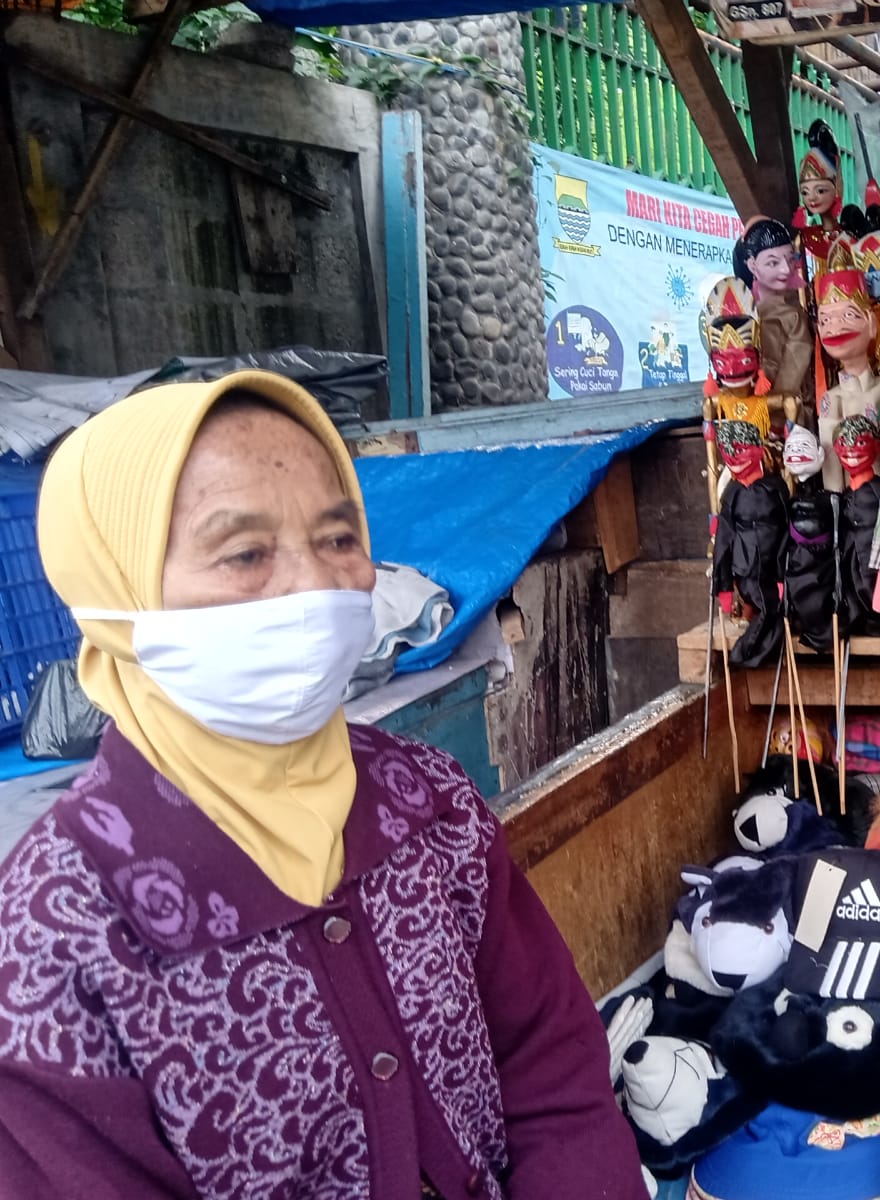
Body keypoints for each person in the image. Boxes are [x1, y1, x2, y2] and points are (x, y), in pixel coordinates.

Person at [0, 373, 647, 1199]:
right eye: (245, 552)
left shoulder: (430, 805)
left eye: (339, 539)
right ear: (116, 595)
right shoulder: (53, 937)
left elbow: (552, 1075)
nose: (313, 584)